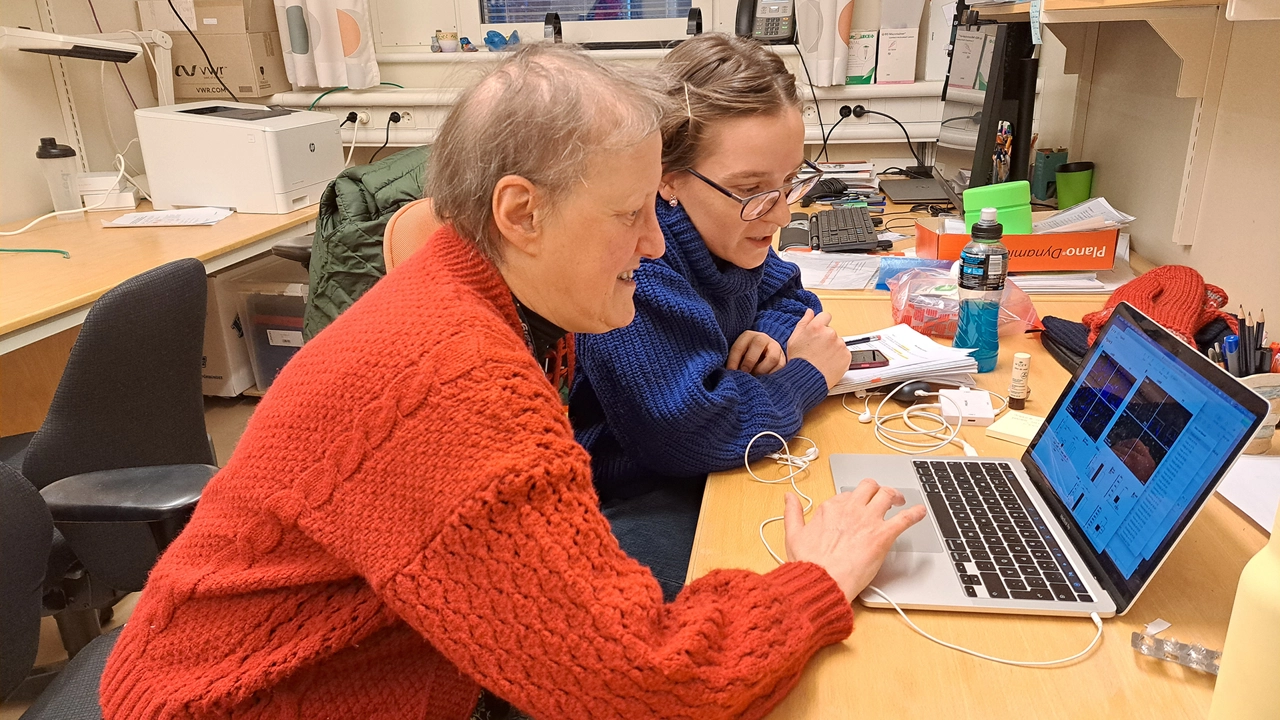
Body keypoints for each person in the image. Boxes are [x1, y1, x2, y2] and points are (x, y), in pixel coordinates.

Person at [99, 45, 923, 720]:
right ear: (521, 213)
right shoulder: (456, 378)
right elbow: (645, 684)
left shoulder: (489, 304)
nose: (655, 245)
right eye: (629, 215)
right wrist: (814, 582)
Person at [570, 33, 853, 601]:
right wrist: (806, 376)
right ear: (666, 176)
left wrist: (770, 338)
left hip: (706, 459)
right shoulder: (640, 267)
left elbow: (791, 297)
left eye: (790, 182)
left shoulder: (727, 232)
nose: (779, 213)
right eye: (751, 189)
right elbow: (690, 431)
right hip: (638, 488)